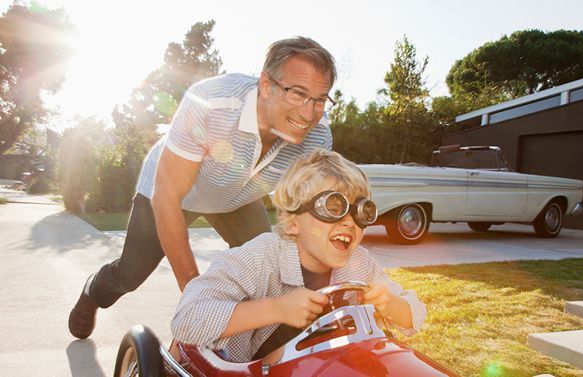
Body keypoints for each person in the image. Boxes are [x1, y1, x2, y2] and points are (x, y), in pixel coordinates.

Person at [68, 36, 337, 339]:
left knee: (272, 272)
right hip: (171, 192)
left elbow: (306, 215)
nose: (309, 113)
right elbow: (167, 195)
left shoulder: (318, 137)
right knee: (130, 274)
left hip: (236, 196)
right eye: (298, 93)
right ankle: (93, 291)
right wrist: (198, 301)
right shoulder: (212, 104)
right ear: (266, 85)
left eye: (320, 99)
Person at [170, 150, 427, 363]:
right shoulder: (259, 258)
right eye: (334, 207)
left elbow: (416, 313)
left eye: (362, 212)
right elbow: (187, 319)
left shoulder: (359, 263)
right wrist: (276, 309)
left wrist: (389, 303)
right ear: (293, 222)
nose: (349, 222)